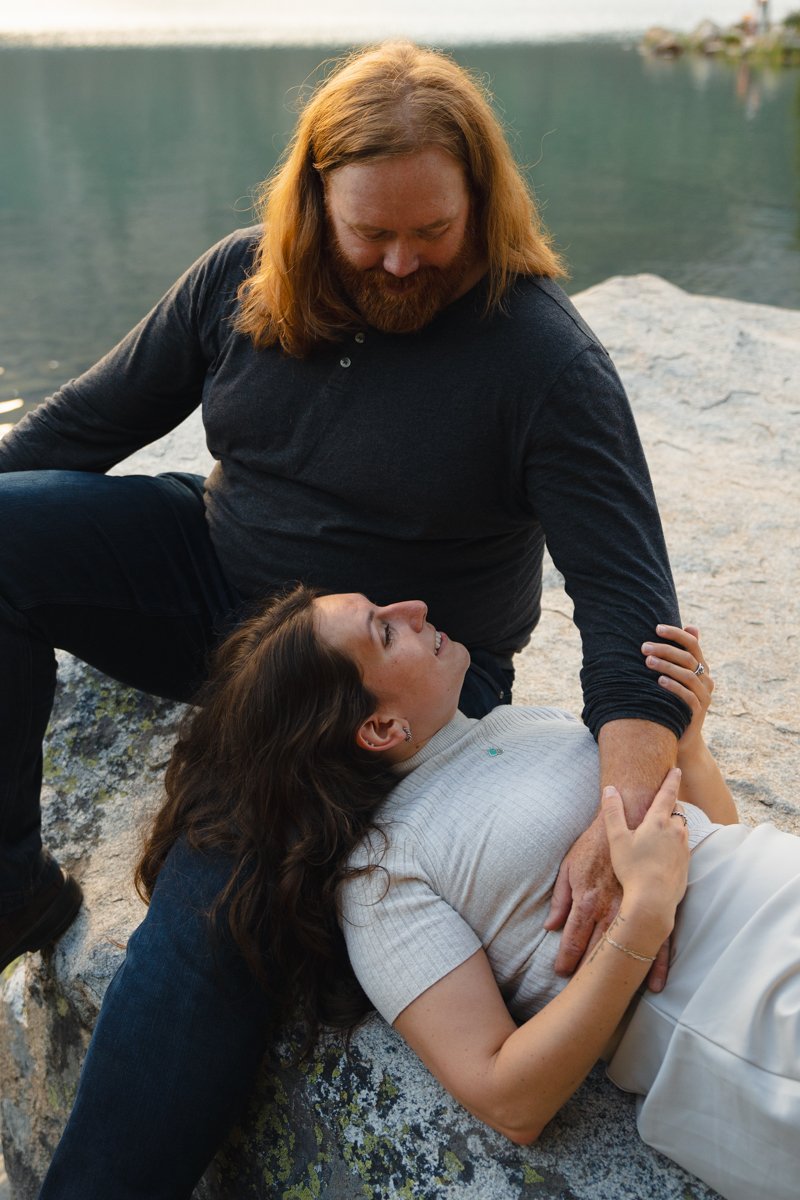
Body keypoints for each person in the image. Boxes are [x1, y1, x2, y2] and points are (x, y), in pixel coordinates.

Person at [3, 40, 690, 1196]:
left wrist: (616, 828)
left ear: (481, 198)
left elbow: (631, 616)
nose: (399, 260)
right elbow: (57, 445)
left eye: (432, 230)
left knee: (219, 897)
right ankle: (9, 883)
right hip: (216, 582)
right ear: (312, 198)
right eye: (369, 230)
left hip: (395, 677)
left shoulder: (540, 358)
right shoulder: (240, 279)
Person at [87, 583, 797, 1200]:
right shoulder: (381, 875)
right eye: (385, 628)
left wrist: (693, 751)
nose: (416, 607)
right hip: (745, 1017)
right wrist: (637, 925)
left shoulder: (524, 723)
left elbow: (701, 846)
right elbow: (507, 1098)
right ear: (380, 727)